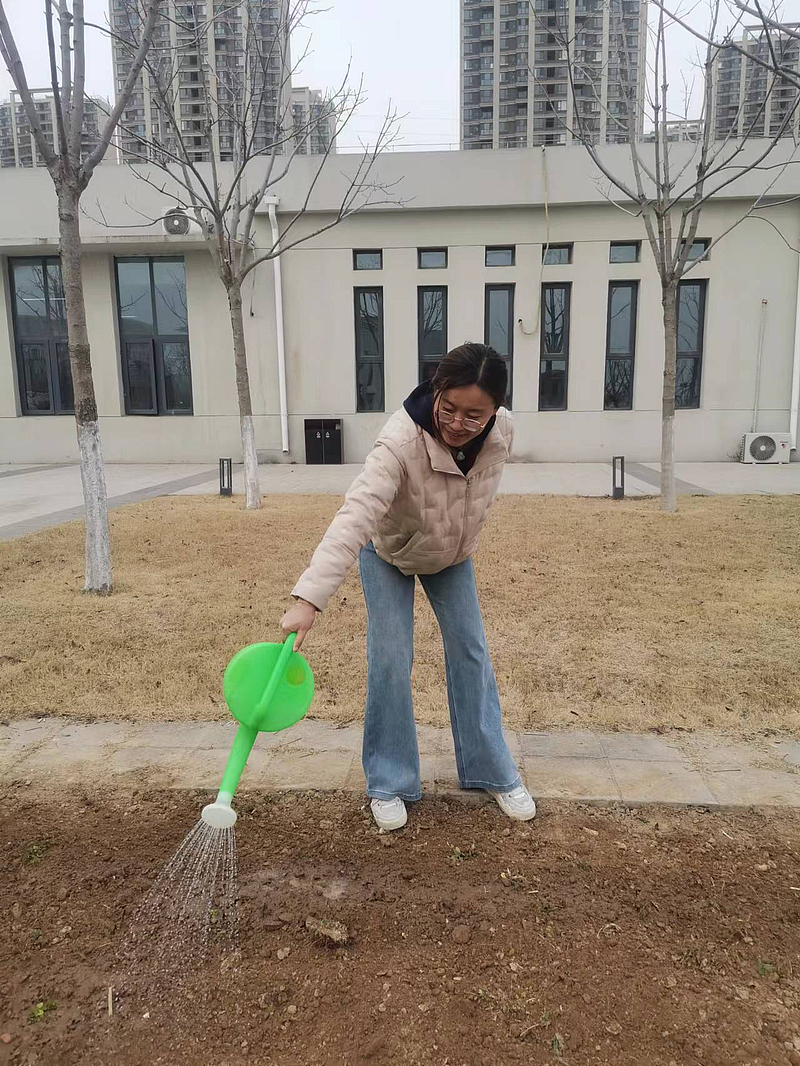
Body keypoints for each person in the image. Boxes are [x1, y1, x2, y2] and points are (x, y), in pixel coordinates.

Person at [281, 342, 536, 831]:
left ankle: (490, 770)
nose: (458, 422)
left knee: (472, 652)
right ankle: (389, 781)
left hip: (451, 556)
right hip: (390, 554)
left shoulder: (502, 430)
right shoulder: (399, 442)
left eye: (474, 415)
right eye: (449, 407)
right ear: (436, 390)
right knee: (390, 658)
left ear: (496, 410)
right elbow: (355, 515)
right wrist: (308, 598)